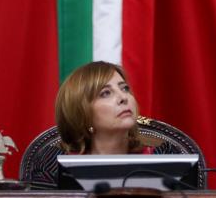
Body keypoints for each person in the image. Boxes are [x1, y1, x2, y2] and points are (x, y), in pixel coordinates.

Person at [30, 61, 176, 188]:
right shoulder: (52, 164)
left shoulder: (164, 156)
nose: (123, 97)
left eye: (124, 88)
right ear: (82, 113)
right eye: (106, 93)